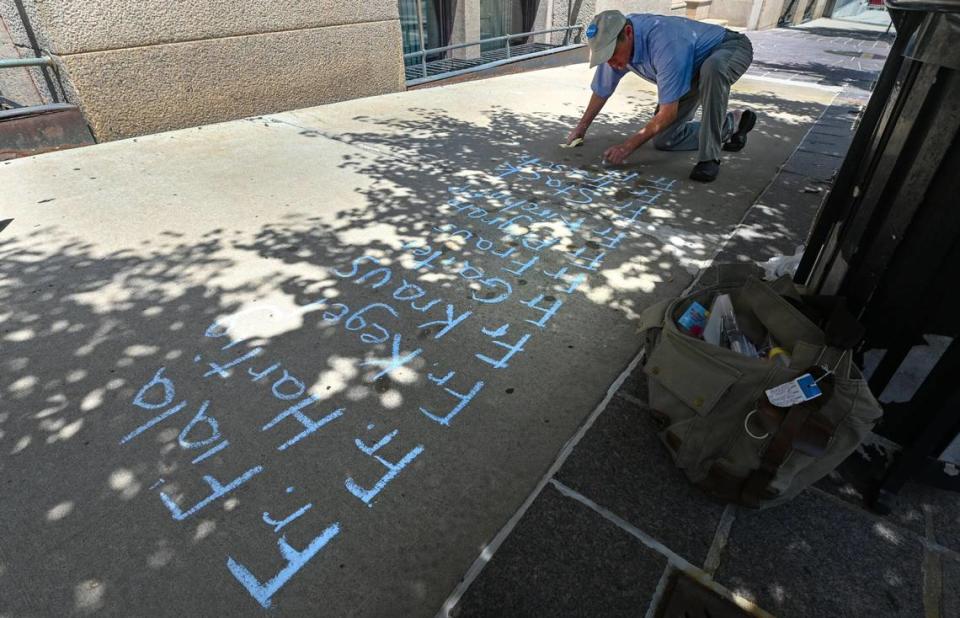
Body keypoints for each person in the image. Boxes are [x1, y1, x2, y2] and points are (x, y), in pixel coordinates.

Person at [567, 10, 757, 182]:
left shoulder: (665, 43)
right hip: (689, 66)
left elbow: (668, 113)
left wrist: (627, 147)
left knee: (713, 69)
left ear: (628, 33)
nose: (611, 62)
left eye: (612, 54)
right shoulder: (614, 46)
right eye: (604, 56)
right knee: (665, 139)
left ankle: (709, 157)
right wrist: (581, 127)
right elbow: (602, 89)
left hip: (728, 47)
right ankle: (734, 124)